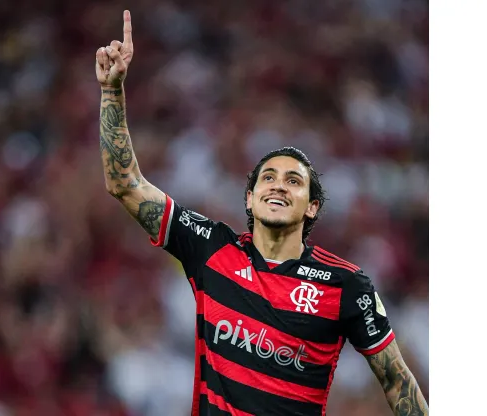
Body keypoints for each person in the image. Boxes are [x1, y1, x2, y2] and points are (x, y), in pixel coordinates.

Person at [95, 10, 428, 416]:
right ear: (250, 199)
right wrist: (112, 91)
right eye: (268, 177)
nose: (278, 185)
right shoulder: (211, 249)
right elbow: (125, 185)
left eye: (293, 180)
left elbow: (397, 381)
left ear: (313, 207)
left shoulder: (347, 286)